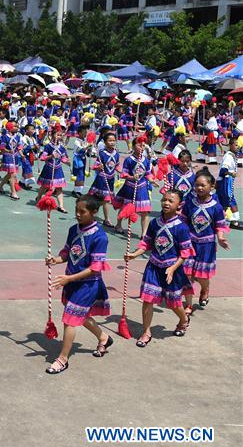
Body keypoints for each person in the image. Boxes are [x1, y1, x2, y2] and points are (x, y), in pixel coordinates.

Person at [44, 196, 113, 375]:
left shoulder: (100, 237)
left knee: (69, 319)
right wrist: (55, 260)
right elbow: (67, 253)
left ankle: (63, 359)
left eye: (82, 212)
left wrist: (69, 278)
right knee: (80, 316)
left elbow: (95, 268)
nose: (78, 214)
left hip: (88, 285)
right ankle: (104, 338)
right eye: (76, 210)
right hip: (73, 282)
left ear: (94, 212)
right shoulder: (73, 229)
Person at [124, 190, 193, 347]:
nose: (166, 203)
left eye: (170, 201)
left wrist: (173, 268)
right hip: (153, 267)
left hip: (172, 271)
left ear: (179, 205)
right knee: (147, 300)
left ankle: (184, 320)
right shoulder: (154, 223)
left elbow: (185, 253)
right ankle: (146, 332)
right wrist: (134, 255)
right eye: (164, 200)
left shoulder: (181, 227)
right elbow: (146, 243)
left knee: (174, 303)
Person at [181, 169, 230, 314]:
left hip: (206, 246)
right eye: (196, 185)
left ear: (211, 187)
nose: (199, 188)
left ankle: (204, 288)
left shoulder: (216, 206)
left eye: (202, 185)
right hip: (189, 244)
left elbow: (220, 225)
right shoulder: (190, 202)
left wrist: (220, 238)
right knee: (187, 274)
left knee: (201, 276)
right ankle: (188, 304)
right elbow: (183, 221)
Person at [113, 136, 152, 237]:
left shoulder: (146, 160)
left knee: (145, 211)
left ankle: (144, 233)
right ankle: (118, 225)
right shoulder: (129, 160)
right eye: (139, 145)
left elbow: (148, 173)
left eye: (143, 146)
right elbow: (123, 174)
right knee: (124, 207)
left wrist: (152, 180)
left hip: (142, 188)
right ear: (134, 146)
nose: (142, 148)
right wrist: (131, 177)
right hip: (130, 188)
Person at [87, 131, 121, 228]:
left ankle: (92, 213)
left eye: (114, 140)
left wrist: (120, 171)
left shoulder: (116, 153)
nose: (112, 142)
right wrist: (99, 167)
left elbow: (117, 165)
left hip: (111, 179)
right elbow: (94, 166)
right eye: (110, 141)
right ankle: (106, 219)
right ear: (105, 142)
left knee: (102, 200)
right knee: (105, 199)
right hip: (102, 179)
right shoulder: (101, 153)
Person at [36, 127, 69, 213]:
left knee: (59, 188)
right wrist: (51, 156)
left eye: (60, 135)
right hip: (48, 169)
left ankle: (61, 206)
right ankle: (39, 197)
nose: (59, 136)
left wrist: (67, 162)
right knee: (44, 186)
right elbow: (42, 157)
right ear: (52, 135)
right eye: (57, 135)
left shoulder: (62, 147)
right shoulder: (48, 146)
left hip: (58, 169)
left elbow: (64, 158)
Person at [216, 146, 239, 229]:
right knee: (229, 199)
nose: (237, 147)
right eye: (235, 145)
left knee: (221, 199)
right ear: (230, 145)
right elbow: (223, 170)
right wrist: (231, 174)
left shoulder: (231, 155)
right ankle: (233, 220)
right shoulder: (229, 156)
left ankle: (222, 219)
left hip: (225, 181)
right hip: (225, 181)